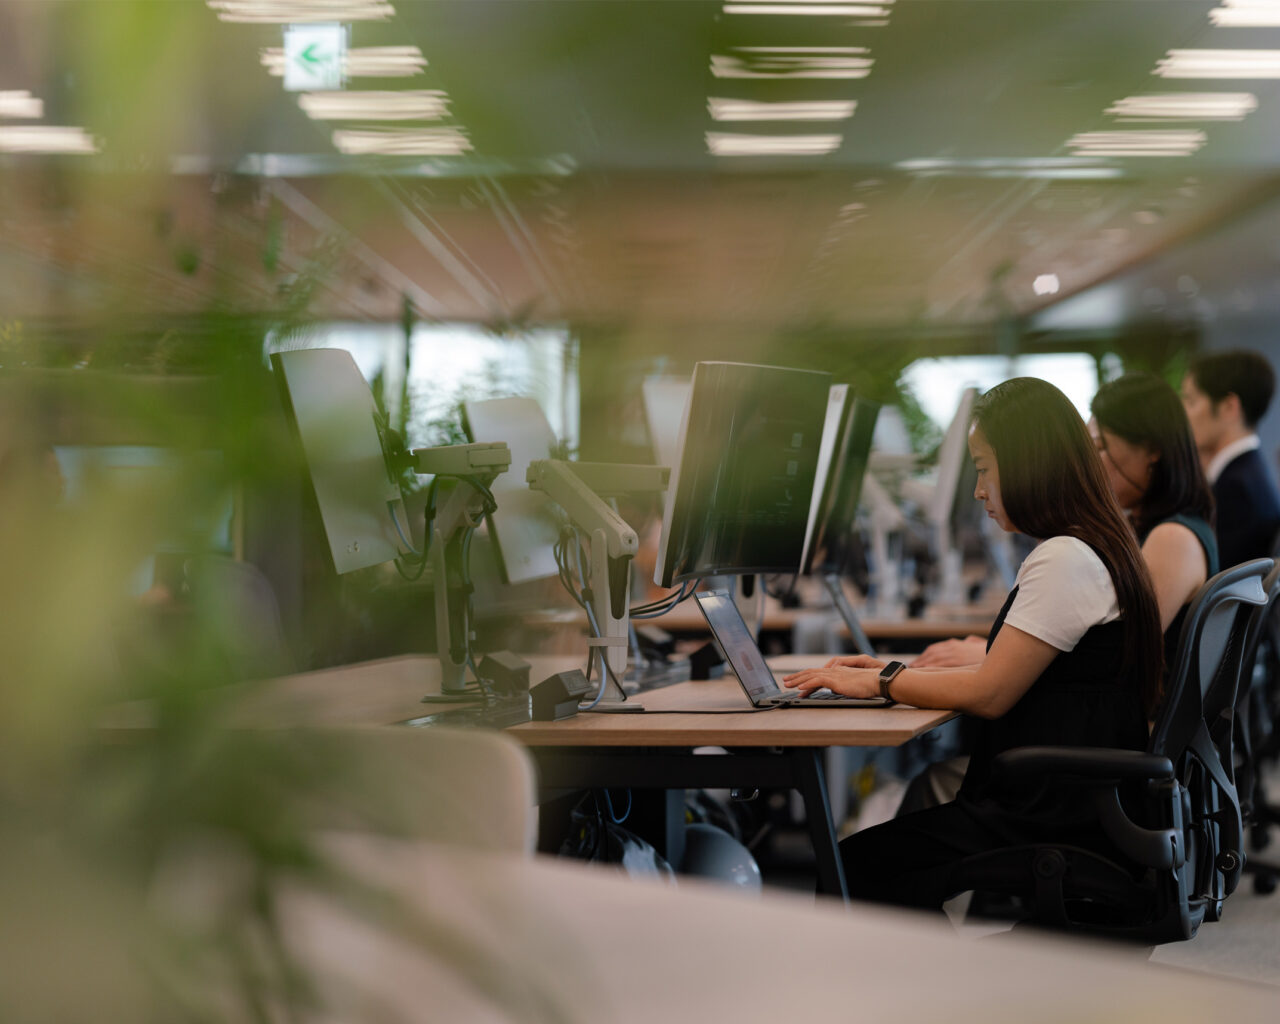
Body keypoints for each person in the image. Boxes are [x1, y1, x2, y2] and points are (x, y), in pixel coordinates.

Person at [782, 377, 1162, 911]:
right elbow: (1007, 672)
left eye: (984, 469)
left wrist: (882, 681)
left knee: (848, 869)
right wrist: (889, 672)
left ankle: (923, 991)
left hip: (1047, 809)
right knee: (887, 856)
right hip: (1069, 797)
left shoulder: (1066, 558)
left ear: (1027, 464)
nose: (979, 490)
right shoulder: (1093, 542)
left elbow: (991, 693)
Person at [1181, 349, 1280, 568]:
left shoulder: (1235, 489)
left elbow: (1216, 582)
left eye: (1191, 401)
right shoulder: (1250, 472)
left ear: (1229, 407)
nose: (1184, 413)